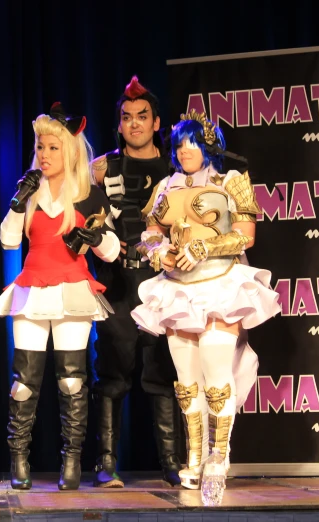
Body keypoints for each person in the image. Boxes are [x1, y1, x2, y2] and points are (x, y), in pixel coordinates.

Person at [131, 110, 280, 489]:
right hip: (177, 288)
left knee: (217, 374)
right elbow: (150, 230)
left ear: (208, 145)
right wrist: (157, 252)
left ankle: (219, 455)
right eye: (179, 144)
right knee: (185, 381)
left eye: (192, 142)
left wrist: (204, 246)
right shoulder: (166, 185)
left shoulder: (231, 180)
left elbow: (246, 235)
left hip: (220, 283)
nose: (184, 150)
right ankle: (194, 456)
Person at [0, 103, 119, 491]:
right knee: (24, 382)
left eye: (52, 147)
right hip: (32, 290)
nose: (44, 155)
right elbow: (8, 240)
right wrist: (17, 201)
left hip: (73, 290)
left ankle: (72, 461)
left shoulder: (89, 195)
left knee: (72, 381)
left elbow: (112, 250)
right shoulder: (30, 192)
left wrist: (96, 238)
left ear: (70, 150)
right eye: (40, 147)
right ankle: (19, 458)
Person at [89, 76, 181, 487]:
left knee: (164, 372)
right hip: (118, 283)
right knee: (112, 371)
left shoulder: (176, 167)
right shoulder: (103, 168)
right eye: (127, 118)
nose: (135, 124)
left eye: (142, 117)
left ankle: (172, 463)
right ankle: (106, 463)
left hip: (166, 281)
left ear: (157, 121)